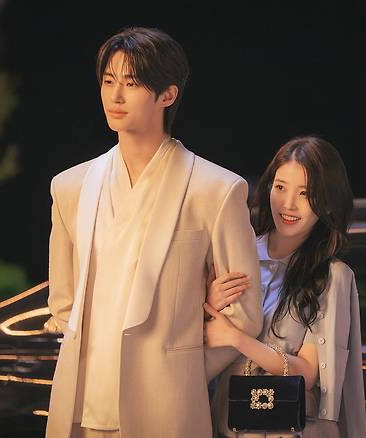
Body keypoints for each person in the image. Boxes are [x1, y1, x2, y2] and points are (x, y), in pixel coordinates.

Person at [45, 27, 263, 438]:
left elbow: (244, 315)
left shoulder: (215, 189)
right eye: (108, 81)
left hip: (167, 409)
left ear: (168, 95)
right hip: (83, 406)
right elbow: (63, 304)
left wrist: (179, 372)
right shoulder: (70, 188)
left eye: (132, 84)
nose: (115, 96)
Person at [204, 135, 366, 438]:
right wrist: (206, 305)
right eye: (280, 187)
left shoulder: (331, 278)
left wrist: (236, 338)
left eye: (305, 193)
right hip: (223, 426)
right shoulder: (235, 257)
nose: (288, 204)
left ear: (327, 201)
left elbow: (307, 372)